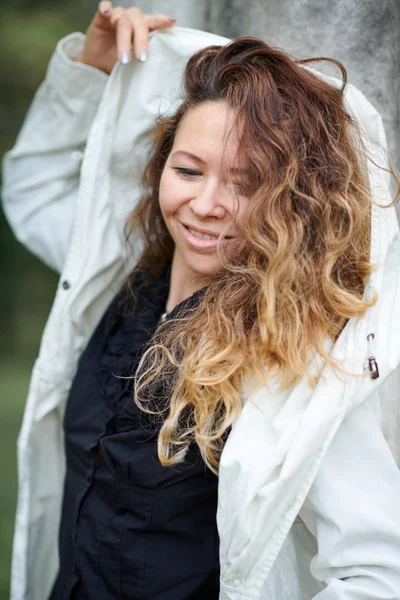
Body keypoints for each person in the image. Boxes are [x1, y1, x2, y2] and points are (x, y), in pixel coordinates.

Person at [3, 3, 400, 599]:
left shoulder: (295, 356)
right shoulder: (119, 280)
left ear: (289, 201)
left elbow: (374, 573)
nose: (207, 204)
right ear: (161, 165)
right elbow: (33, 190)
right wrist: (91, 67)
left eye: (245, 184)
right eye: (189, 170)